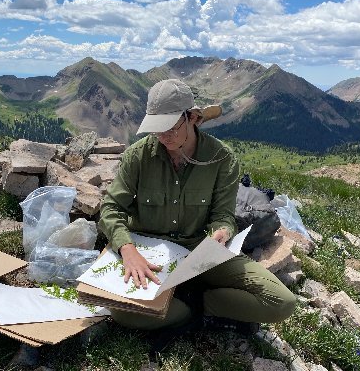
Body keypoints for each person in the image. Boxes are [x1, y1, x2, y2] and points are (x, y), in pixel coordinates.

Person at [99, 79, 296, 336]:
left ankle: (191, 305)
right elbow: (111, 207)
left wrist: (223, 232)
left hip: (200, 254)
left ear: (192, 117)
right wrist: (127, 250)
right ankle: (192, 311)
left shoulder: (221, 158)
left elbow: (223, 215)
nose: (162, 135)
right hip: (148, 255)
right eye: (156, 128)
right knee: (120, 310)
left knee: (281, 302)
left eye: (170, 126)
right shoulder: (138, 156)